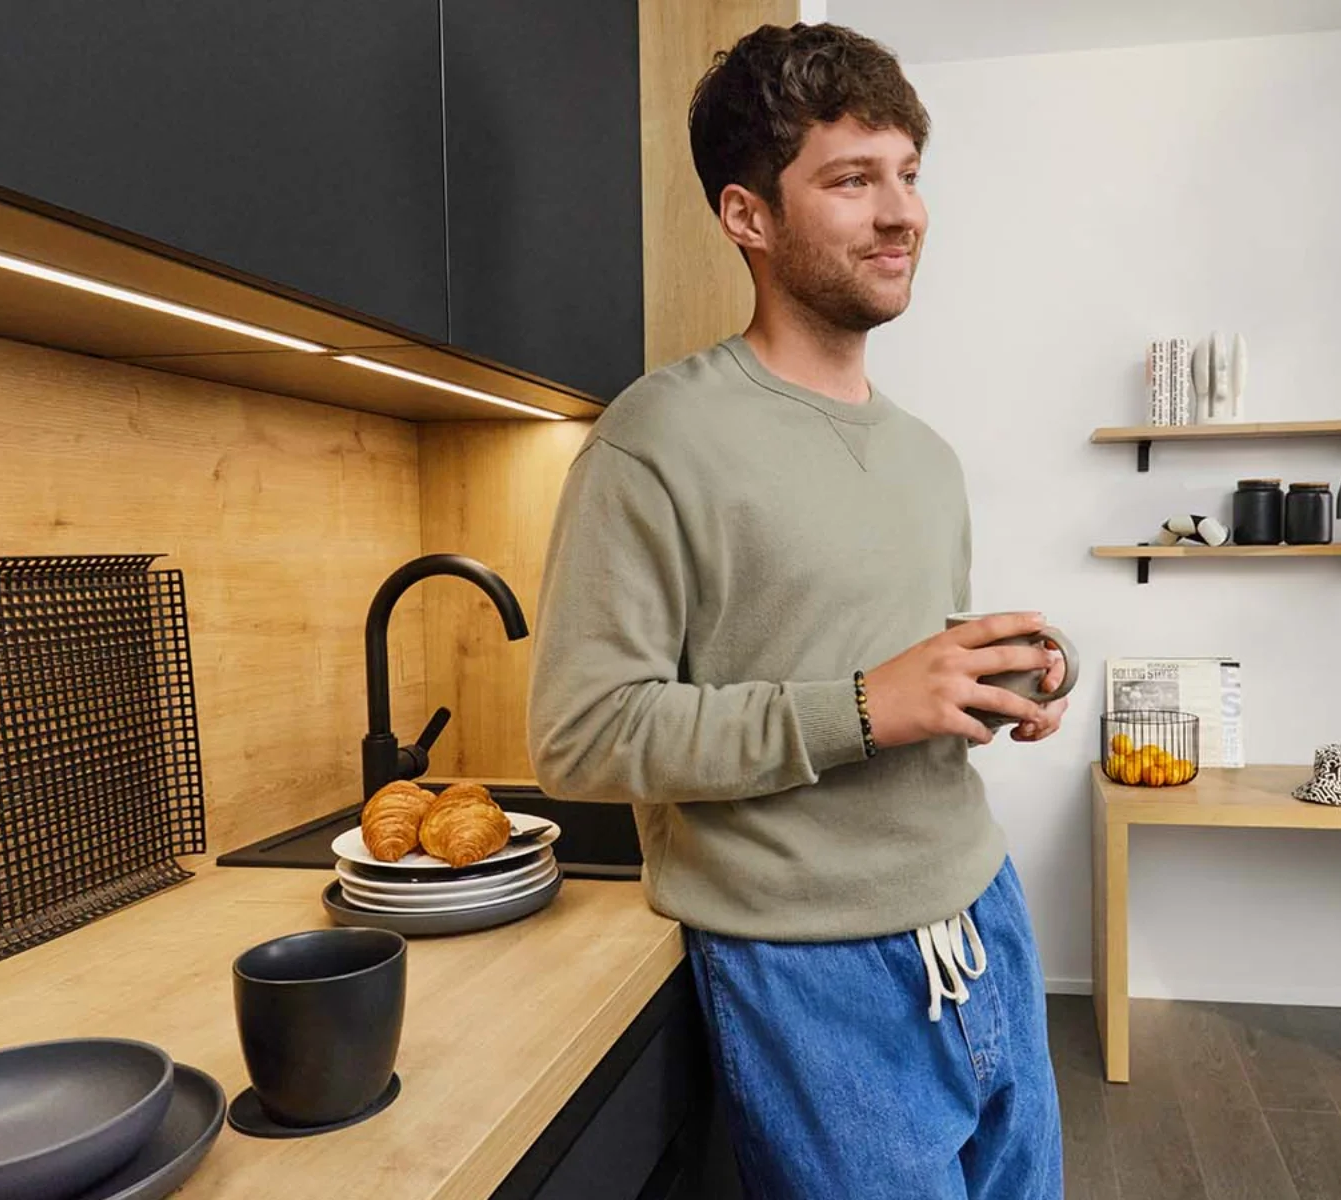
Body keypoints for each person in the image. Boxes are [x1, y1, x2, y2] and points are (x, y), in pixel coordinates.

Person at [527, 22, 1065, 1199]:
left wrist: (1003, 679)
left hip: (987, 917)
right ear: (748, 217)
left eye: (909, 174)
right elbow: (581, 735)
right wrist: (865, 705)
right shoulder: (652, 441)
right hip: (809, 968)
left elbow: (907, 666)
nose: (903, 213)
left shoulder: (927, 456)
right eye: (852, 179)